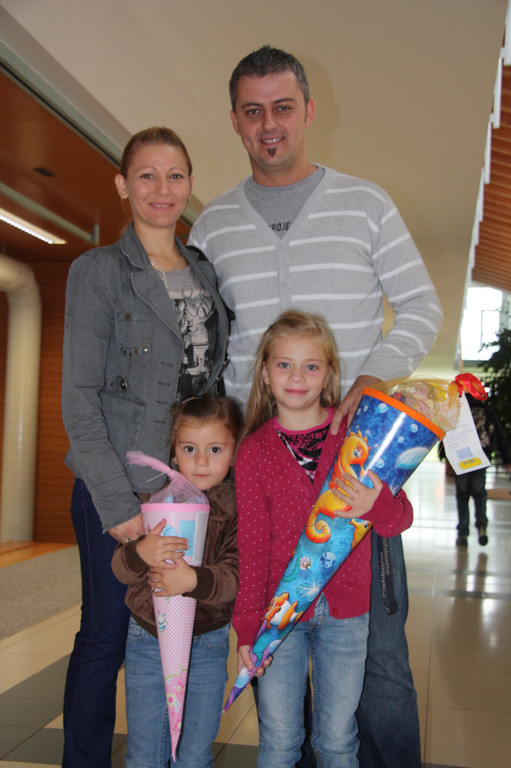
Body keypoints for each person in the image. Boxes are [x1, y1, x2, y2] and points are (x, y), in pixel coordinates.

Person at [189, 46, 442, 768]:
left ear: (308, 110)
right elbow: (206, 347)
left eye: (282, 107)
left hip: (351, 468)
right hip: (262, 470)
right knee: (277, 650)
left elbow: (421, 307)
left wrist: (372, 379)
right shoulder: (213, 225)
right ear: (235, 121)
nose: (269, 124)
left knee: (377, 659)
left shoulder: (365, 204)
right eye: (252, 111)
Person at [61, 127, 231, 767]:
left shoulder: (204, 272)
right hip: (120, 488)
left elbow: (212, 387)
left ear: (190, 184)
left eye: (175, 175)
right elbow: (79, 397)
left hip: (190, 490)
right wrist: (116, 505)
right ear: (122, 184)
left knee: (181, 634)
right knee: (106, 635)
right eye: (147, 175)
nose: (163, 189)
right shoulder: (99, 272)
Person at [233, 310, 413, 768]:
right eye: (284, 365)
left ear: (330, 374)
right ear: (265, 373)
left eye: (311, 366)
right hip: (278, 613)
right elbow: (252, 547)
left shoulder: (358, 436)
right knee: (278, 738)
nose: (297, 377)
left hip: (346, 613)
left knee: (336, 739)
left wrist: (374, 504)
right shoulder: (253, 451)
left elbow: (399, 518)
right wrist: (248, 626)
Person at [112, 393, 243, 767]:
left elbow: (235, 576)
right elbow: (119, 569)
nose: (201, 461)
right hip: (147, 637)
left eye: (215, 449)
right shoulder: (152, 498)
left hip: (207, 642)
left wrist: (193, 581)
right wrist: (141, 551)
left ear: (234, 451)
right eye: (189, 448)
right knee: (144, 754)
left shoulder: (237, 505)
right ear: (173, 451)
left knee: (194, 754)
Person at [451, 393, 511, 547]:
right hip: (481, 457)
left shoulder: (458, 411)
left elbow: (449, 435)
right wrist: (507, 459)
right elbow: (499, 435)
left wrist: (445, 455)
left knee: (462, 495)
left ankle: (463, 533)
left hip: (461, 458)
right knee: (479, 493)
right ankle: (482, 525)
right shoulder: (487, 412)